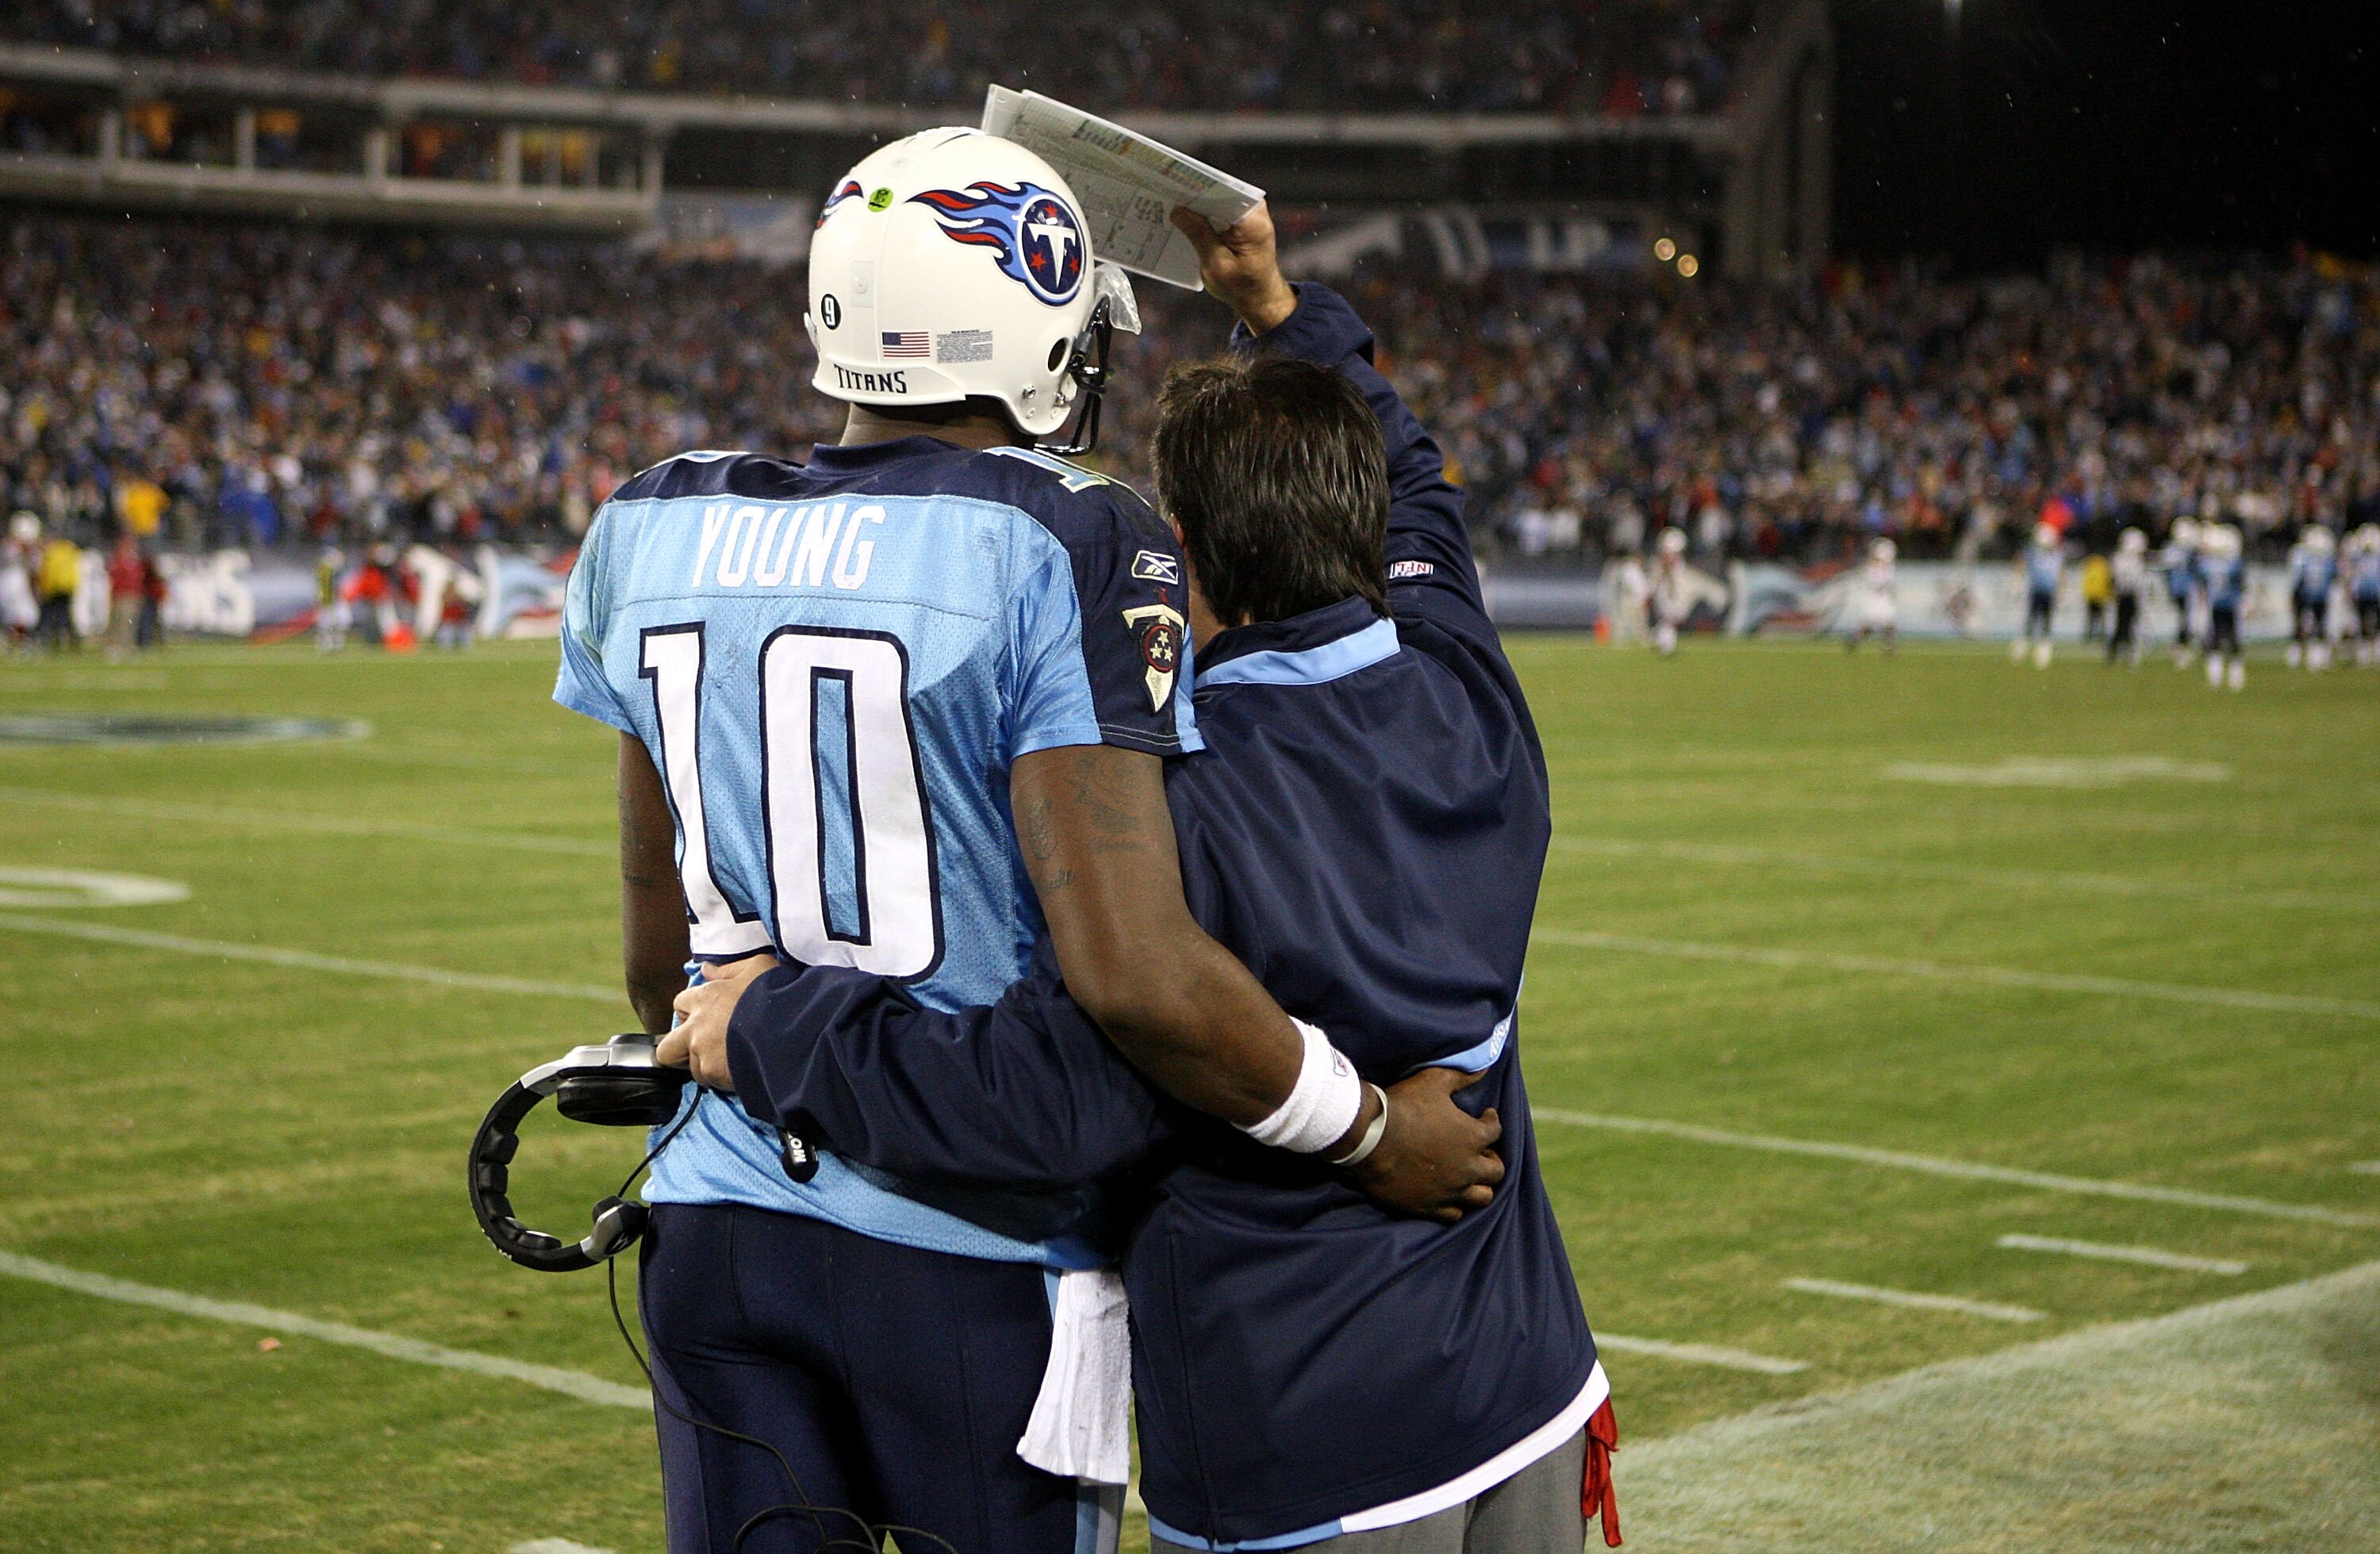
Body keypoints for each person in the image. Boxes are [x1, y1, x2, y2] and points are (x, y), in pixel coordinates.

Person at [553, 132, 1495, 1554]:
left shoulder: (649, 518)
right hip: (975, 1255)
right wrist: (1365, 1130)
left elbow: (654, 965)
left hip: (723, 1221)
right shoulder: (1070, 535)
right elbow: (1132, 970)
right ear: (1032, 317)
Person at [2199, 522, 2246, 690]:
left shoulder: (2206, 564)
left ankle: (2216, 677)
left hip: (2216, 605)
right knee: (2233, 641)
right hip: (2231, 605)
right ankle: (2234, 677)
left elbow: (2203, 586)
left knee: (2216, 641)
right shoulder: (2234, 563)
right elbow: (2241, 585)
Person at [2284, 524, 2336, 671]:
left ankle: (2312, 654)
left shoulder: (2303, 556)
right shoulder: (2304, 555)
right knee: (2307, 624)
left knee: (2315, 624)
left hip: (2312, 595)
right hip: (2309, 595)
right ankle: (2302, 653)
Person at [2014, 520, 2061, 668]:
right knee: (2032, 620)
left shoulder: (2055, 555)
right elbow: (2020, 562)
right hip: (2037, 591)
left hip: (2047, 592)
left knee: (2044, 622)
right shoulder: (2034, 553)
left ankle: (2042, 650)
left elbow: (2060, 574)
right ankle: (2025, 648)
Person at [33, 525, 82, 652]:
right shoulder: (70, 550)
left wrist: (45, 589)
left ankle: (50, 640)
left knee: (51, 615)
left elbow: (46, 571)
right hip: (68, 587)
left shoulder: (51, 552)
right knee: (65, 615)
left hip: (54, 588)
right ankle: (70, 641)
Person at [2159, 517, 2201, 666]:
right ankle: (2180, 647)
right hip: (2184, 588)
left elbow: (2166, 570)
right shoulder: (2186, 550)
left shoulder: (2170, 548)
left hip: (2176, 587)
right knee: (2185, 619)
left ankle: (2181, 645)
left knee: (2183, 619)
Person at [1847, 535, 1897, 652]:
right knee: (1869, 626)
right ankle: (1855, 640)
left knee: (1889, 623)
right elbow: (1875, 583)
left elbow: (1889, 584)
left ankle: (1890, 646)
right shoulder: (1871, 569)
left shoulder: (1888, 568)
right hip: (1875, 599)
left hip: (1884, 598)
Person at [2107, 527, 2147, 666]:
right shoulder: (2122, 559)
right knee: (2123, 624)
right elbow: (2120, 579)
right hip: (2125, 596)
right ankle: (2118, 652)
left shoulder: (2122, 558)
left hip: (2130, 596)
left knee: (2127, 625)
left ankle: (2125, 652)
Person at [0, 512, 38, 650]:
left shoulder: (32, 550)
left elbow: (34, 567)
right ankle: (13, 640)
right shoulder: (9, 546)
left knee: (28, 614)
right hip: (10, 583)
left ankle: (20, 640)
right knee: (14, 614)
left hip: (21, 582)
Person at [1649, 525, 1687, 655]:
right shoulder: (1667, 558)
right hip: (1667, 590)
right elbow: (1667, 572)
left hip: (1668, 588)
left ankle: (1659, 639)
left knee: (1670, 619)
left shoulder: (1672, 558)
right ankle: (1667, 644)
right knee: (1670, 618)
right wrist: (1671, 587)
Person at [105, 534, 145, 658]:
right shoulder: (119, 561)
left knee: (129, 624)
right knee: (118, 623)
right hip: (121, 595)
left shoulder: (134, 562)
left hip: (132, 596)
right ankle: (115, 647)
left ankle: (127, 646)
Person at [2348, 524, 2380, 668]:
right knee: (2361, 621)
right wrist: (2351, 589)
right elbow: (2352, 574)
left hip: (2375, 592)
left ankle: (2375, 648)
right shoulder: (2357, 555)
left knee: (2376, 621)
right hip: (2362, 592)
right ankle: (2364, 649)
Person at [2080, 548, 2112, 642]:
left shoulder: (2089, 566)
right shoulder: (2104, 566)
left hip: (2093, 596)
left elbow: (2087, 582)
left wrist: (2087, 593)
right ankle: (2100, 635)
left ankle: (2090, 635)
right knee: (2100, 617)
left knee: (2091, 617)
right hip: (2100, 596)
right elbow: (2107, 582)